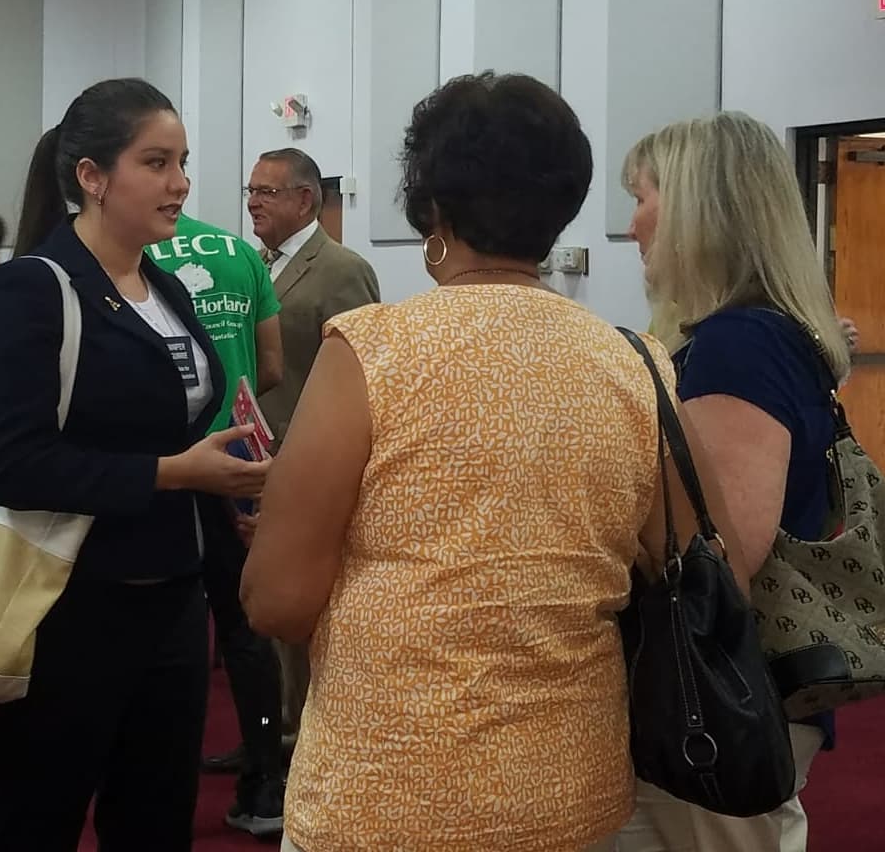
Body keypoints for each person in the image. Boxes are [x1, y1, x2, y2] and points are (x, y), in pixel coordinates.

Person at [239, 71, 744, 852]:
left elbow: (277, 602)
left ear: (431, 210)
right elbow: (704, 566)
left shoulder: (372, 351)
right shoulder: (636, 363)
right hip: (567, 792)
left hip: (386, 793)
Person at [0, 78, 269, 852]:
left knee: (156, 814)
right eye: (156, 161)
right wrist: (177, 473)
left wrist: (235, 492)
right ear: (92, 176)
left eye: (183, 161)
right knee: (37, 813)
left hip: (175, 597)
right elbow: (14, 463)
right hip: (69, 599)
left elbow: (186, 424)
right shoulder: (32, 290)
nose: (180, 182)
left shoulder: (166, 287)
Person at [616, 110, 853, 852]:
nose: (633, 226)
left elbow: (721, 557)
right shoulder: (756, 333)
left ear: (693, 208)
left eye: (643, 197)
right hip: (728, 684)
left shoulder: (738, 343)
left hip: (714, 688)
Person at [147, 213, 286, 836]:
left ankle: (142, 781)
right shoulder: (240, 251)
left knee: (160, 623)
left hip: (164, 461)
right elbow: (273, 366)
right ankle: (263, 785)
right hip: (237, 452)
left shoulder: (134, 251)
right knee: (245, 628)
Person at [244, 147, 380, 752]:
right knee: (261, 609)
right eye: (251, 190)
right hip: (253, 457)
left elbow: (359, 369)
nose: (253, 202)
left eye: (267, 192)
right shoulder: (254, 266)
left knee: (300, 612)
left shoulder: (341, 269)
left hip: (309, 458)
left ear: (305, 200)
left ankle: (301, 740)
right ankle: (267, 731)